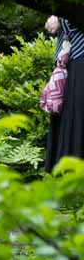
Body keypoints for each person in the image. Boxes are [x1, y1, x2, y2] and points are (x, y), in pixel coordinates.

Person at [44, 14, 84, 171]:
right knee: (66, 111)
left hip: (79, 60)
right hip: (67, 58)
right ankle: (64, 170)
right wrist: (56, 18)